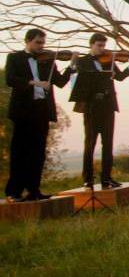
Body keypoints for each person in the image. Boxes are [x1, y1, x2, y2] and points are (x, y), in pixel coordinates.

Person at [4, 28, 77, 202]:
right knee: (20, 152)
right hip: (23, 111)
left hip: (42, 111)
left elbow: (60, 82)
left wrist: (72, 65)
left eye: (43, 43)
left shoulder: (48, 61)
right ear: (27, 41)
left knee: (38, 153)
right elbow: (10, 80)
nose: (41, 46)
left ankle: (33, 190)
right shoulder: (14, 58)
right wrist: (34, 83)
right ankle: (14, 192)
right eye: (38, 42)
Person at [74, 33, 129, 189]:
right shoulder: (82, 62)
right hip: (91, 107)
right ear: (91, 45)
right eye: (99, 46)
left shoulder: (109, 60)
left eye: (104, 46)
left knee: (108, 143)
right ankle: (88, 178)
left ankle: (106, 178)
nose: (102, 49)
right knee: (90, 143)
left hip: (108, 106)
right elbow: (83, 81)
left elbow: (120, 77)